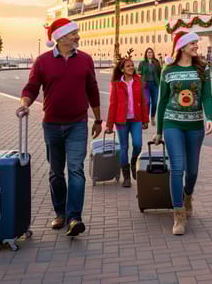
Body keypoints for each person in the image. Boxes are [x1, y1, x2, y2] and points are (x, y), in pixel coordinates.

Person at [19, 18, 101, 237]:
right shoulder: (43, 61)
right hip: (52, 125)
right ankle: (60, 212)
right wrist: (25, 105)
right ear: (61, 37)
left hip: (78, 123)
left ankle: (74, 217)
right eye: (73, 33)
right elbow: (32, 87)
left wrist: (99, 120)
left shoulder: (85, 60)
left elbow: (92, 90)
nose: (77, 36)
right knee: (56, 173)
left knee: (76, 169)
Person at [152, 27, 212, 236]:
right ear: (182, 47)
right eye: (193, 43)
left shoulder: (202, 69)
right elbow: (162, 102)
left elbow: (207, 96)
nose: (197, 46)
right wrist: (159, 130)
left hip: (195, 125)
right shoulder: (168, 70)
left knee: (193, 170)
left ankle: (188, 196)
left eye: (196, 43)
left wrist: (209, 118)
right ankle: (178, 214)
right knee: (177, 167)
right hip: (172, 124)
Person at [106, 55, 149, 188]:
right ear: (122, 69)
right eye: (128, 66)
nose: (131, 68)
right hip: (121, 121)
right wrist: (109, 125)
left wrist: (145, 119)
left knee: (137, 144)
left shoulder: (138, 80)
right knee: (124, 147)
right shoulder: (116, 83)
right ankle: (126, 178)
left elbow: (143, 101)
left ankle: (133, 161)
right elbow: (112, 104)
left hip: (136, 119)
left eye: (132, 66)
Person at [138, 48, 162, 127]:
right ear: (146, 54)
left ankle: (152, 117)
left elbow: (159, 73)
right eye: (148, 52)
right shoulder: (142, 63)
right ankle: (146, 119)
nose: (149, 54)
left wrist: (158, 82)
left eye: (151, 52)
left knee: (155, 103)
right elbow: (139, 73)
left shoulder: (156, 62)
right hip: (145, 85)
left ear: (153, 53)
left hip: (155, 85)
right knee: (147, 102)